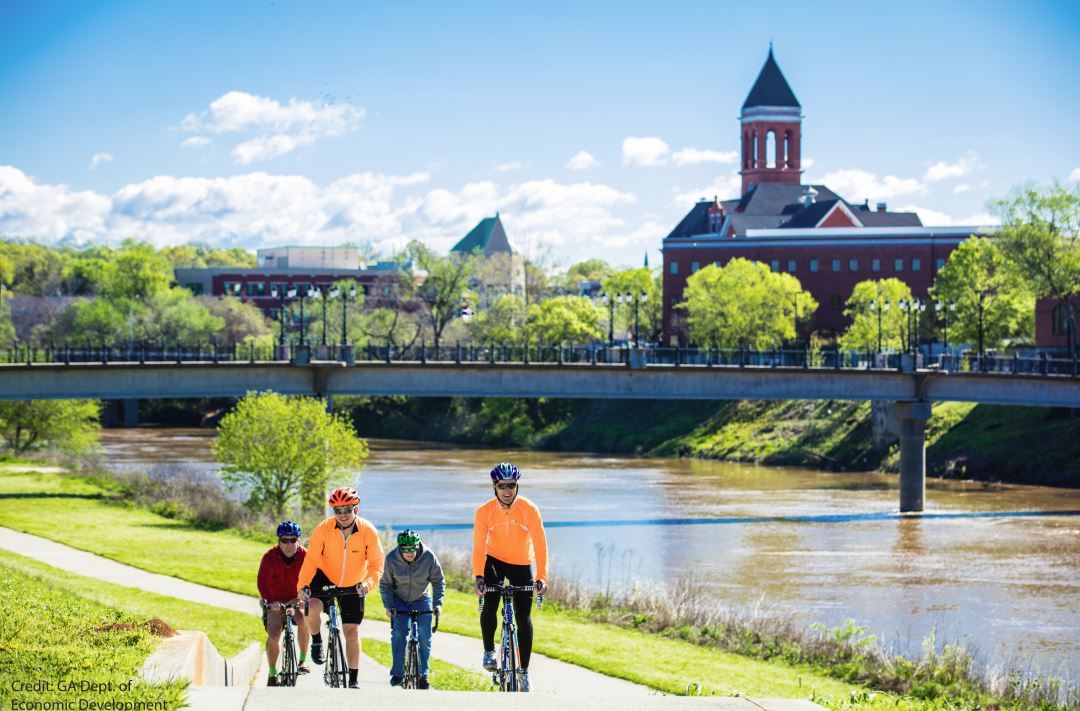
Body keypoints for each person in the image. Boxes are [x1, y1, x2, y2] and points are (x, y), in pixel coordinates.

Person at [296, 487, 384, 689]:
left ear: (356, 509)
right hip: (324, 576)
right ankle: (317, 640)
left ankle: (353, 680)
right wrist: (303, 586)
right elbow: (311, 561)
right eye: (338, 510)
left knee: (351, 632)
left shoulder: (368, 531)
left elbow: (377, 565)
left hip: (355, 583)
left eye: (347, 509)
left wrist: (367, 584)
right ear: (333, 512)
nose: (343, 514)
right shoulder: (323, 529)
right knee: (312, 606)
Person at [472, 461, 549, 692]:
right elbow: (478, 547)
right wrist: (478, 576)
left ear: (517, 486)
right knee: (490, 604)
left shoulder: (529, 509)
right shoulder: (484, 511)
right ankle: (488, 651)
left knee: (523, 618)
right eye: (502, 485)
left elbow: (541, 544)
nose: (507, 490)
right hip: (494, 561)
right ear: (494, 486)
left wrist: (542, 576)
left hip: (521, 563)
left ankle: (524, 673)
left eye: (512, 485)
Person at [379, 529, 445, 689]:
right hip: (399, 600)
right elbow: (385, 584)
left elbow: (438, 581)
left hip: (421, 599)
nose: (409, 553)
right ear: (400, 548)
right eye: (405, 549)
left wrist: (437, 604)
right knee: (399, 633)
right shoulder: (391, 558)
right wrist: (389, 606)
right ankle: (397, 672)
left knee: (424, 636)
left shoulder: (429, 557)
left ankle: (423, 674)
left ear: (417, 546)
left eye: (412, 549)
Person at [257, 520, 312, 687]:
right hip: (275, 601)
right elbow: (262, 582)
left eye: (293, 540)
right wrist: (270, 601)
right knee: (274, 636)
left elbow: (313, 579)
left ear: (299, 540)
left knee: (303, 619)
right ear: (278, 541)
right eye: (285, 540)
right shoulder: (269, 557)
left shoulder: (305, 556)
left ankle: (302, 660)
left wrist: (306, 596)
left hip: (296, 599)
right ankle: (272, 673)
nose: (289, 544)